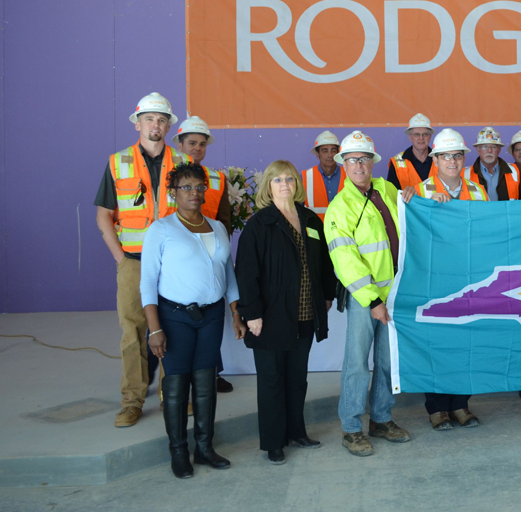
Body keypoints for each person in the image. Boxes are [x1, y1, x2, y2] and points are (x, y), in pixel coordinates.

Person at [141, 162, 244, 478]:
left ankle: (204, 447)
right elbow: (148, 282)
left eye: (200, 187)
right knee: (176, 384)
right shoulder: (161, 229)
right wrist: (155, 329)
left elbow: (228, 273)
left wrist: (236, 312)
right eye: (186, 187)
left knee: (205, 382)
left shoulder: (217, 227)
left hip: (211, 316)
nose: (194, 192)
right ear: (173, 192)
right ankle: (178, 452)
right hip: (174, 317)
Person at [94, 92, 190, 427]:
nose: (155, 125)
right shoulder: (117, 162)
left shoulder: (183, 163)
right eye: (149, 119)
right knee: (133, 331)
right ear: (138, 123)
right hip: (133, 262)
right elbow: (104, 215)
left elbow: (193, 212)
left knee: (174, 328)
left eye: (161, 120)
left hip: (174, 264)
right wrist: (120, 259)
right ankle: (132, 401)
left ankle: (171, 396)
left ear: (168, 126)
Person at [235, 160, 337, 464]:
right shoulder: (259, 224)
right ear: (268, 185)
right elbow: (246, 273)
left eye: (289, 179)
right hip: (269, 316)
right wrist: (251, 313)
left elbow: (325, 263)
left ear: (297, 184)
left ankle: (296, 431)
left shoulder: (310, 220)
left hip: (305, 314)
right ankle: (273, 442)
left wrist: (327, 295)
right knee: (271, 381)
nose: (284, 185)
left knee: (297, 378)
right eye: (277, 180)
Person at [325, 131, 412, 456]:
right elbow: (345, 262)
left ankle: (381, 419)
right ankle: (351, 428)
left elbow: (409, 217)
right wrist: (373, 300)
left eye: (363, 159)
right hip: (367, 298)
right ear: (344, 164)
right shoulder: (339, 208)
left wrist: (413, 195)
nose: (359, 165)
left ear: (372, 162)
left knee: (387, 362)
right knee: (357, 363)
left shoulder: (386, 189)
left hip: (396, 293)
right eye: (352, 160)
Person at [401, 129, 487, 430]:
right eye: (446, 156)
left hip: (469, 278)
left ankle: (461, 404)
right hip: (433, 281)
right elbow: (409, 235)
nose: (452, 161)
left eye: (458, 155)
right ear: (435, 160)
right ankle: (437, 408)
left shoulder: (478, 192)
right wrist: (427, 207)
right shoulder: (417, 192)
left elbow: (487, 234)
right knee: (435, 343)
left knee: (466, 341)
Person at [173, 115, 235, 393]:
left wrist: (219, 249)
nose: (197, 148)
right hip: (179, 256)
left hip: (209, 254)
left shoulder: (217, 179)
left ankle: (211, 373)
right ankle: (168, 375)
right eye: (192, 143)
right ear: (180, 145)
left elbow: (224, 219)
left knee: (209, 314)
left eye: (202, 144)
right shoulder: (169, 177)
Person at [464, 127, 520, 201]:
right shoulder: (465, 174)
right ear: (478, 150)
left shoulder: (514, 171)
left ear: (499, 150)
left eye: (493, 147)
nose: (489, 150)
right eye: (485, 147)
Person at [387, 113, 438, 190]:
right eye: (417, 134)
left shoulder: (440, 159)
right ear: (410, 137)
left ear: (430, 136)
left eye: (425, 134)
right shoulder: (397, 162)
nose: (421, 138)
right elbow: (392, 194)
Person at [302, 131, 346, 215]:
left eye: (333, 151)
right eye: (325, 151)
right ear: (317, 154)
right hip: (315, 224)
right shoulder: (305, 178)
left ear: (338, 154)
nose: (330, 155)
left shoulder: (349, 175)